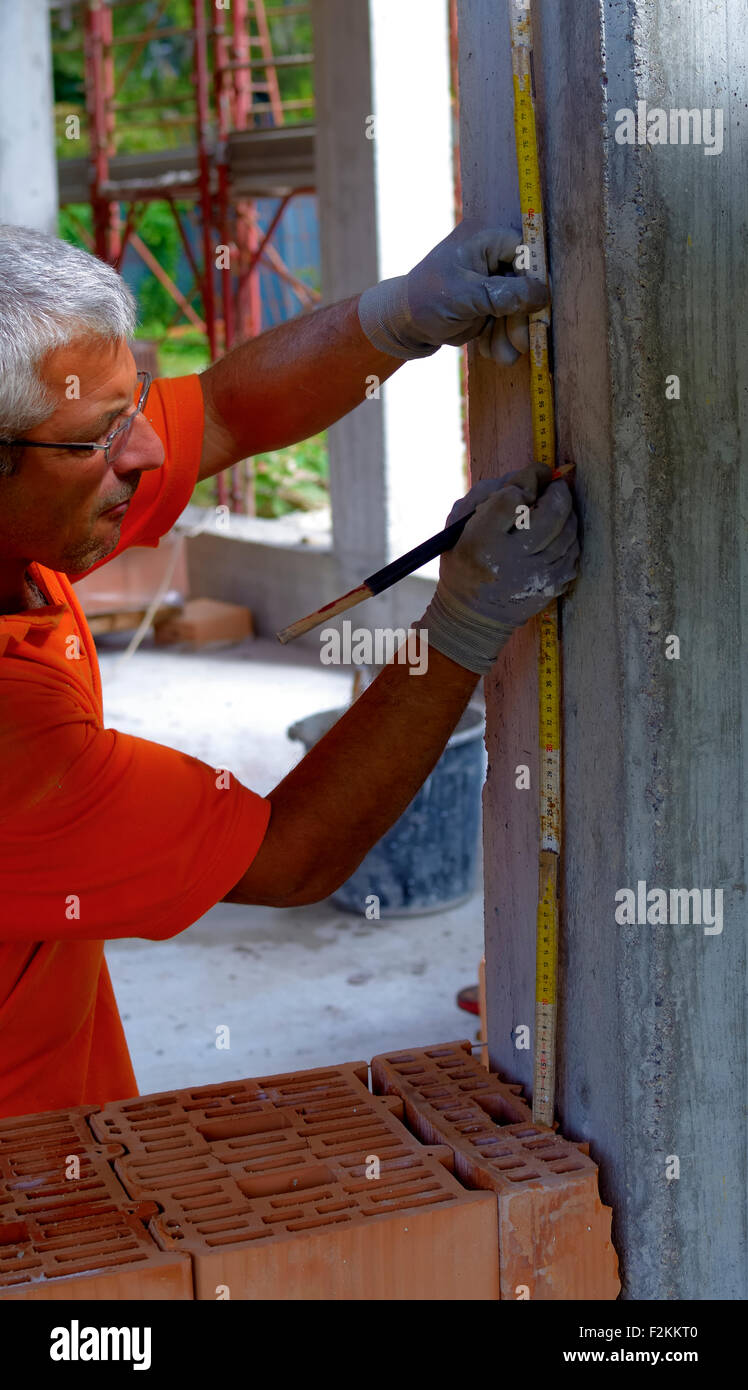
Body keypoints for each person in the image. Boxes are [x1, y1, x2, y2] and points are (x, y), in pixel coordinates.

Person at [0, 221, 579, 1118]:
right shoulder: (15, 741)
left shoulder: (39, 477)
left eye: (132, 407)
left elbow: (226, 412)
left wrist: (398, 317)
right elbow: (287, 857)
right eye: (95, 439)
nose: (143, 452)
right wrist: (465, 624)